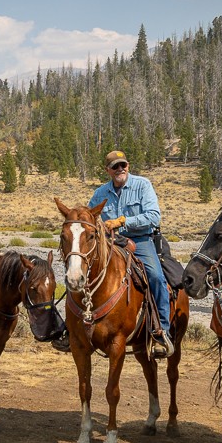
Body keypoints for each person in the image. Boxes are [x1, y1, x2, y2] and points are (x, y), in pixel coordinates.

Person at [89, 150, 174, 359]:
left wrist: (123, 221)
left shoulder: (142, 185)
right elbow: (89, 217)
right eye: (115, 166)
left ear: (128, 166)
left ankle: (161, 332)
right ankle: (72, 327)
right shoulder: (100, 193)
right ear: (107, 170)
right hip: (109, 242)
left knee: (155, 276)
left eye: (123, 165)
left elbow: (154, 216)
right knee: (82, 271)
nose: (120, 169)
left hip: (140, 240)